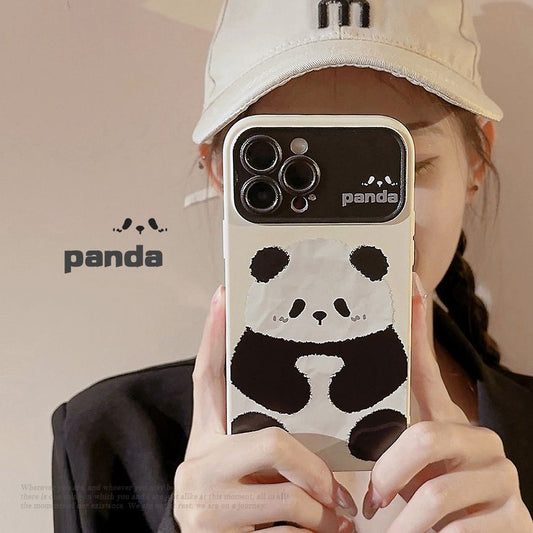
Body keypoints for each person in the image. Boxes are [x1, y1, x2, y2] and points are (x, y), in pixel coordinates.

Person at [51, 1, 533, 532]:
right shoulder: (107, 442)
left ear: (476, 162)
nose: (339, 234)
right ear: (221, 172)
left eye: (389, 171)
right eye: (298, 179)